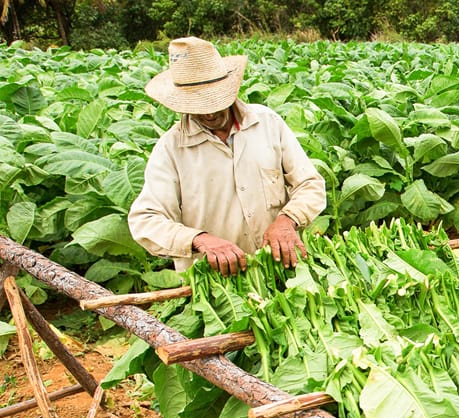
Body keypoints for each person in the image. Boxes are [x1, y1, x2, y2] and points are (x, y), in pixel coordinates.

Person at [129, 37, 326, 275]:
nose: (209, 113)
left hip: (282, 270)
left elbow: (310, 184)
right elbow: (145, 220)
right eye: (197, 105)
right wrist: (198, 239)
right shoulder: (171, 148)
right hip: (217, 285)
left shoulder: (267, 123)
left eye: (214, 101)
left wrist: (288, 220)